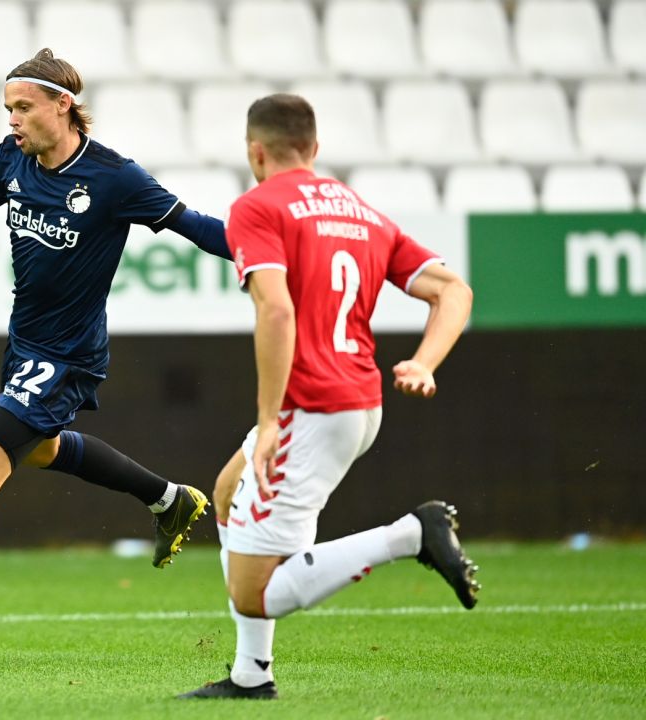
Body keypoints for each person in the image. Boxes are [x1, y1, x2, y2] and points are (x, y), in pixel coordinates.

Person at [0, 49, 233, 665]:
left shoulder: (115, 178)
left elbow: (197, 226)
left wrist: (267, 254)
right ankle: (168, 498)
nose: (13, 120)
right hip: (26, 341)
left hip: (70, 352)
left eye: (23, 108)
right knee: (46, 449)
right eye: (8, 109)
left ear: (65, 106)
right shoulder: (12, 160)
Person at [178, 94, 480, 701]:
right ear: (314, 149)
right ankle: (249, 676)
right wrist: (423, 361)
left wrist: (268, 421)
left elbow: (277, 309)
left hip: (309, 408)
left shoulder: (257, 207)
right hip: (357, 400)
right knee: (229, 490)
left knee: (255, 591)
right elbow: (453, 289)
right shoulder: (360, 211)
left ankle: (411, 535)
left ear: (254, 152)